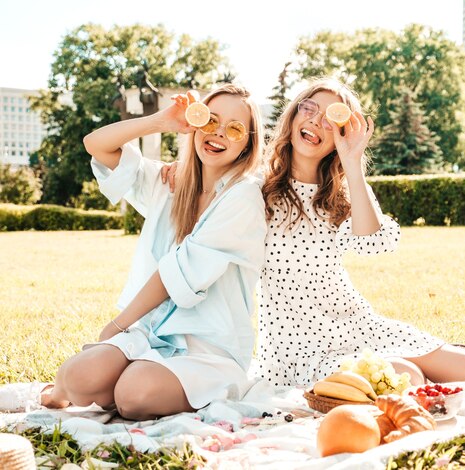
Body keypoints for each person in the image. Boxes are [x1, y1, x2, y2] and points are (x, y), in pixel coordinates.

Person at [162, 79, 465, 388]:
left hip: (358, 324)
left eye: (331, 119)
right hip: (298, 344)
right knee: (407, 376)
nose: (315, 121)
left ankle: (423, 362)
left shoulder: (340, 195)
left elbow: (374, 243)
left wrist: (353, 161)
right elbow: (208, 183)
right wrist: (183, 171)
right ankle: (409, 370)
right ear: (293, 117)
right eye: (309, 109)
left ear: (341, 134)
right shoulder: (255, 188)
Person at [0, 85, 267, 419]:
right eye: (210, 121)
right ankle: (54, 395)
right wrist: (163, 120)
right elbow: (96, 145)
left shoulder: (244, 197)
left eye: (235, 128)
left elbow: (179, 273)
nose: (218, 134)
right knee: (76, 377)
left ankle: (123, 385)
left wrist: (116, 325)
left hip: (208, 348)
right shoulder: (168, 182)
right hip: (148, 335)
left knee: (134, 395)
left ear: (248, 143)